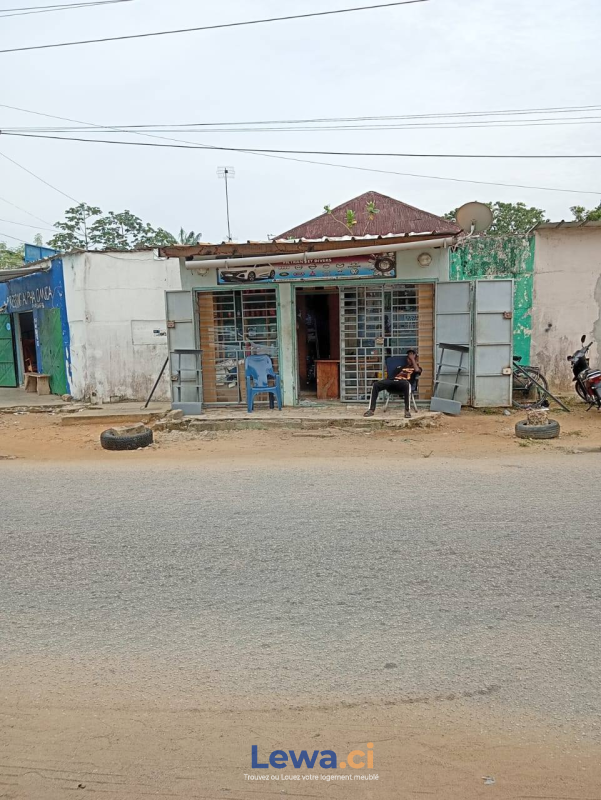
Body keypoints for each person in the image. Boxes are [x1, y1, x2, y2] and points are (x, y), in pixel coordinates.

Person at [363, 349, 422, 419]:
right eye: (408, 358)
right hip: (393, 382)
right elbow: (393, 377)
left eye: (411, 358)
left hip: (404, 383)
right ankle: (371, 410)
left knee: (407, 384)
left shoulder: (417, 368)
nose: (409, 359)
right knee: (376, 384)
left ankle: (407, 411)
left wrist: (412, 359)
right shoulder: (400, 367)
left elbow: (417, 370)